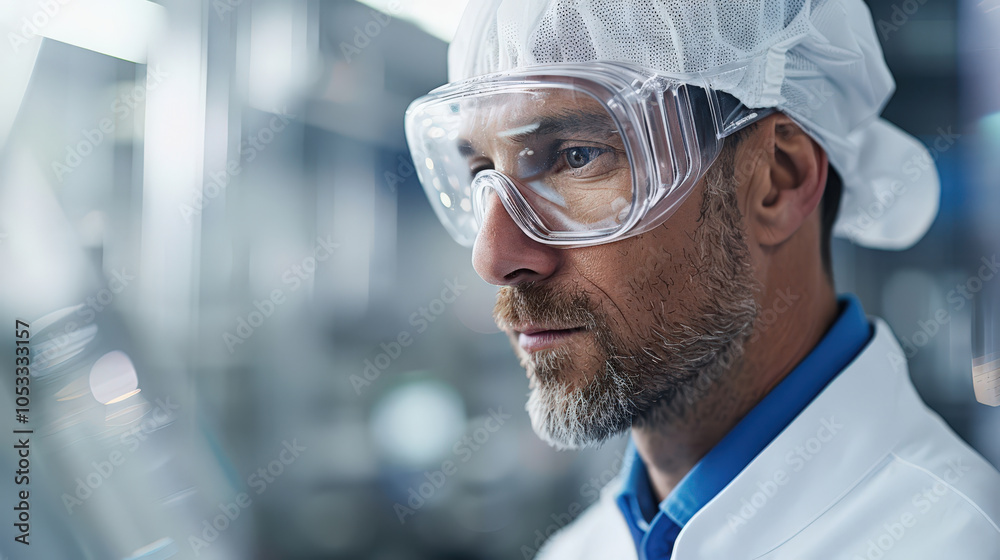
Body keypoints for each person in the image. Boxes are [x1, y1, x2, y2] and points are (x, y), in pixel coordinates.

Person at [403, 0, 1000, 558]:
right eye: (482, 169)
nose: (493, 257)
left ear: (778, 180)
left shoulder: (957, 538)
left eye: (576, 155)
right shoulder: (577, 551)